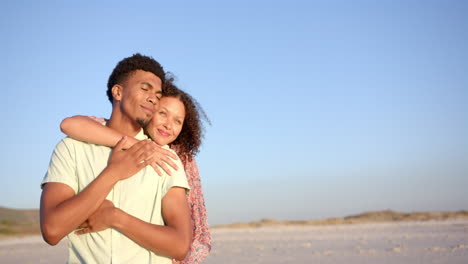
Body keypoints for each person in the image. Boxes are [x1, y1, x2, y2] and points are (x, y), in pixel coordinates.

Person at [40, 54, 192, 263]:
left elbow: (180, 245)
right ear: (118, 92)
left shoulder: (164, 158)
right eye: (145, 89)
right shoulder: (72, 148)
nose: (153, 98)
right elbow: (52, 229)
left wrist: (117, 219)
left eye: (157, 95)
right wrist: (114, 172)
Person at [60, 79, 212, 264]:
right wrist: (138, 145)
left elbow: (182, 239)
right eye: (162, 113)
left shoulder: (178, 157)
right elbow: (69, 124)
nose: (168, 125)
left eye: (177, 121)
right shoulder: (117, 135)